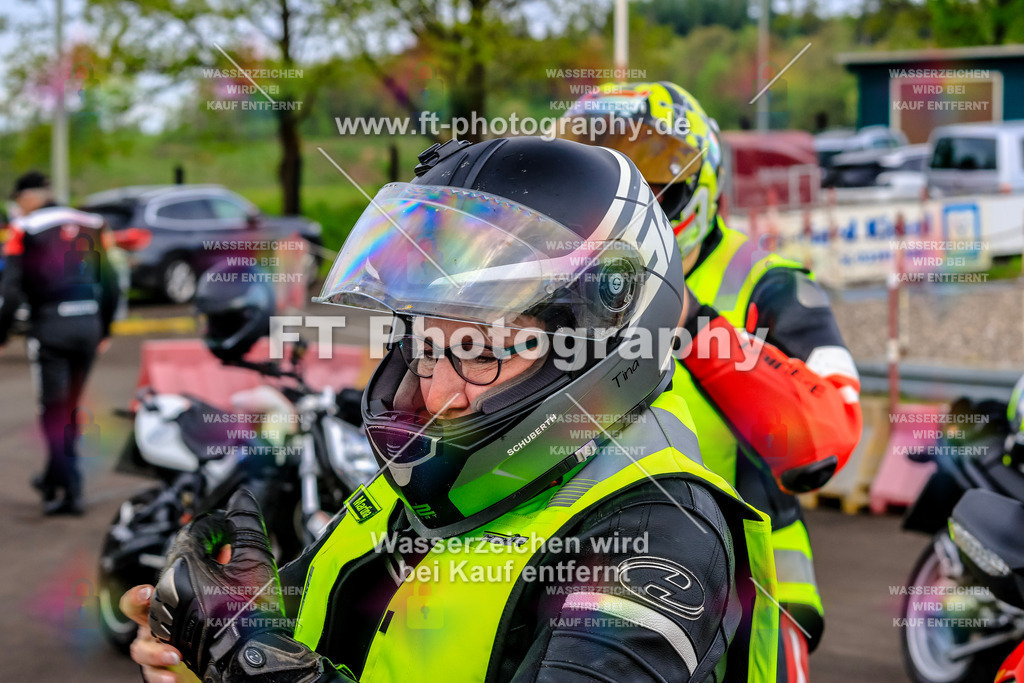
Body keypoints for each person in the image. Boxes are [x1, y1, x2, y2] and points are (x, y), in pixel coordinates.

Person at [121, 136, 785, 682]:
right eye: (427, 346)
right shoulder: (436, 482)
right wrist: (210, 636)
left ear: (600, 349)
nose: (439, 394)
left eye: (485, 349)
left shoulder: (657, 538)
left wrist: (260, 672)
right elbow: (295, 631)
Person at [562, 82, 864, 678]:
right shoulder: (561, 281)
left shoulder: (772, 283)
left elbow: (829, 431)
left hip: (750, 588)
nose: (633, 208)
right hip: (587, 569)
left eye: (657, 183)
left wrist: (693, 323)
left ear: (701, 184)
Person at [0, 171, 119, 515]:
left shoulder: (26, 228)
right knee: (69, 407)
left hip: (50, 327)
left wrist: (2, 333)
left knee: (53, 410)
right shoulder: (91, 222)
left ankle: (69, 490)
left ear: (27, 197)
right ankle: (57, 479)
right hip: (89, 324)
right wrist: (106, 328)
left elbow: (9, 290)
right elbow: (112, 283)